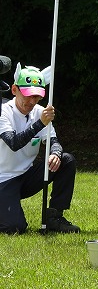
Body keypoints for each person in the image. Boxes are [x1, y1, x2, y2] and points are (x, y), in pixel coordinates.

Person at [0, 65, 80, 234]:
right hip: (4, 179)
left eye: (36, 96)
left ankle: (54, 217)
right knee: (15, 228)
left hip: (26, 176)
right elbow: (13, 143)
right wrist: (39, 124)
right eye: (28, 95)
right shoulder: (3, 112)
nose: (32, 101)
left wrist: (55, 153)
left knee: (66, 160)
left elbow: (54, 141)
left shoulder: (40, 112)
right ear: (14, 90)